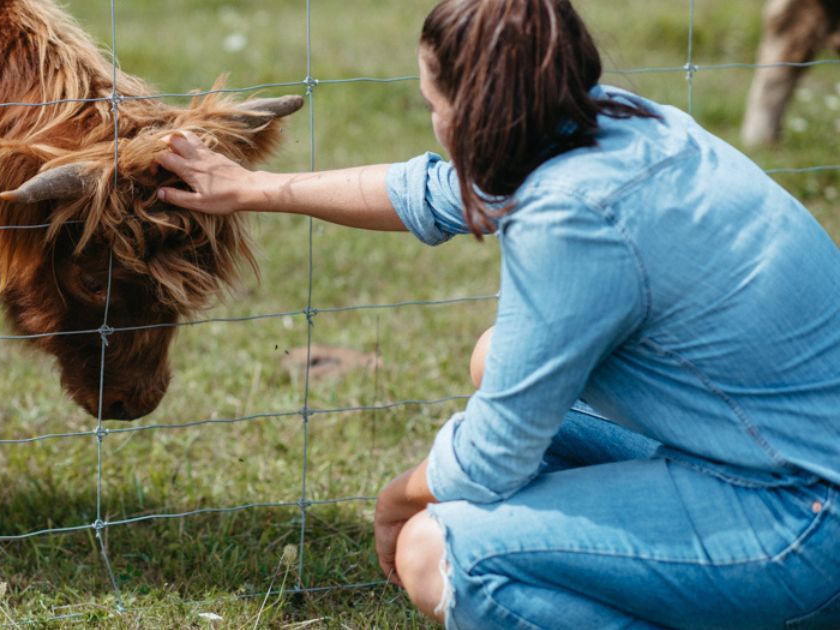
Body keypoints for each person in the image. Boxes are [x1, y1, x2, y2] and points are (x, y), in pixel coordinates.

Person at [154, 0, 840, 627]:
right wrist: (253, 188)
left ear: (473, 108)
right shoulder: (617, 123)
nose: (432, 118)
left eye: (433, 100)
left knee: (441, 551)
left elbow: (493, 456)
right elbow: (427, 190)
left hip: (802, 523)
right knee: (492, 357)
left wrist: (396, 499)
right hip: (769, 455)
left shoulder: (574, 216)